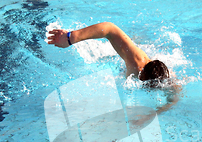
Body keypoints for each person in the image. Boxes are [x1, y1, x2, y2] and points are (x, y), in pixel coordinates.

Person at [47, 22, 179, 115]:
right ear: (142, 70)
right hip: (123, 55)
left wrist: (152, 114)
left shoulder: (166, 78)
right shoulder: (135, 61)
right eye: (142, 80)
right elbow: (109, 29)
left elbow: (173, 100)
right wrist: (71, 37)